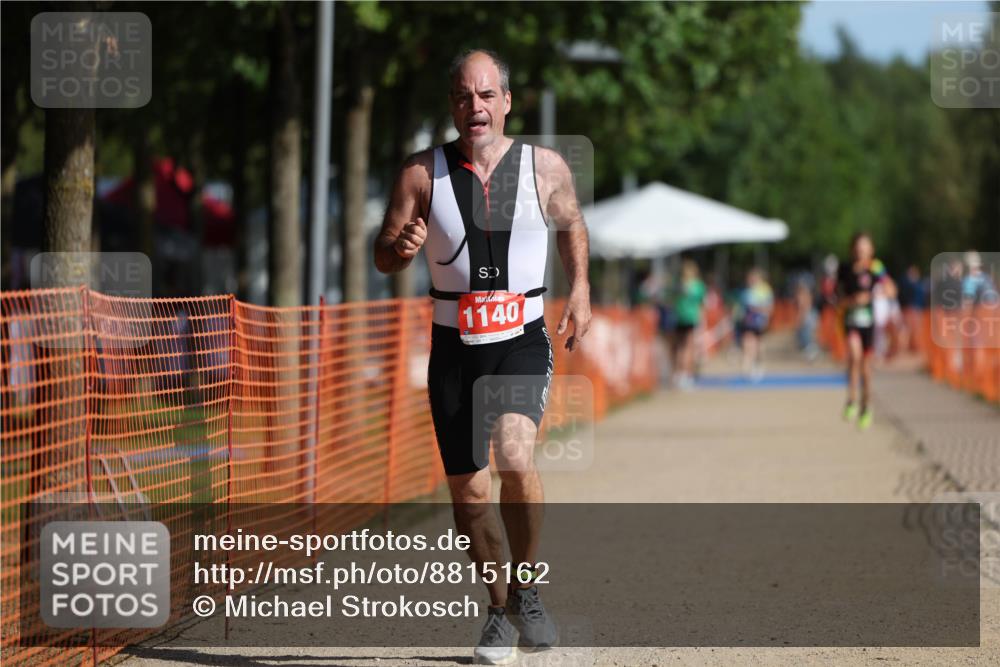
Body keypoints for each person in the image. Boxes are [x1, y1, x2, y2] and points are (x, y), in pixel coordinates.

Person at [373, 49, 591, 665]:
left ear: (506, 102)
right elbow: (383, 251)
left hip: (520, 336)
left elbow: (572, 225)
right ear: (452, 105)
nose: (477, 106)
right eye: (465, 96)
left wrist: (579, 290)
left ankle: (527, 586)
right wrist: (402, 247)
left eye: (487, 94)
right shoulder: (421, 173)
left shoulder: (544, 167)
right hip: (453, 349)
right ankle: (499, 611)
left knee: (515, 452)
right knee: (469, 498)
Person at [836, 232, 896, 430]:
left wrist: (878, 292)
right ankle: (851, 399)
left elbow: (891, 290)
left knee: (866, 369)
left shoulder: (876, 268)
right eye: (858, 246)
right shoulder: (844, 269)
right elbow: (837, 300)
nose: (861, 250)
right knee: (854, 355)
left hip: (869, 325)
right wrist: (853, 301)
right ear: (853, 249)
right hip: (851, 321)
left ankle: (866, 407)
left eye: (865, 246)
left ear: (871, 249)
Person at [669, 259, 706, 389]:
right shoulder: (698, 286)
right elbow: (701, 305)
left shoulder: (679, 284)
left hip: (679, 318)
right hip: (690, 319)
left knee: (679, 347)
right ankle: (685, 375)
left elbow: (672, 301)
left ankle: (677, 374)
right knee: (688, 348)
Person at [734, 267, 773, 380]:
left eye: (753, 278)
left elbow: (768, 307)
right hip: (747, 321)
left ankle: (757, 364)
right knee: (747, 342)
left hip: (758, 321)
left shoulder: (764, 290)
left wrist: (762, 315)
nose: (750, 280)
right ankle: (747, 367)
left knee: (758, 344)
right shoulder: (746, 291)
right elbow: (741, 307)